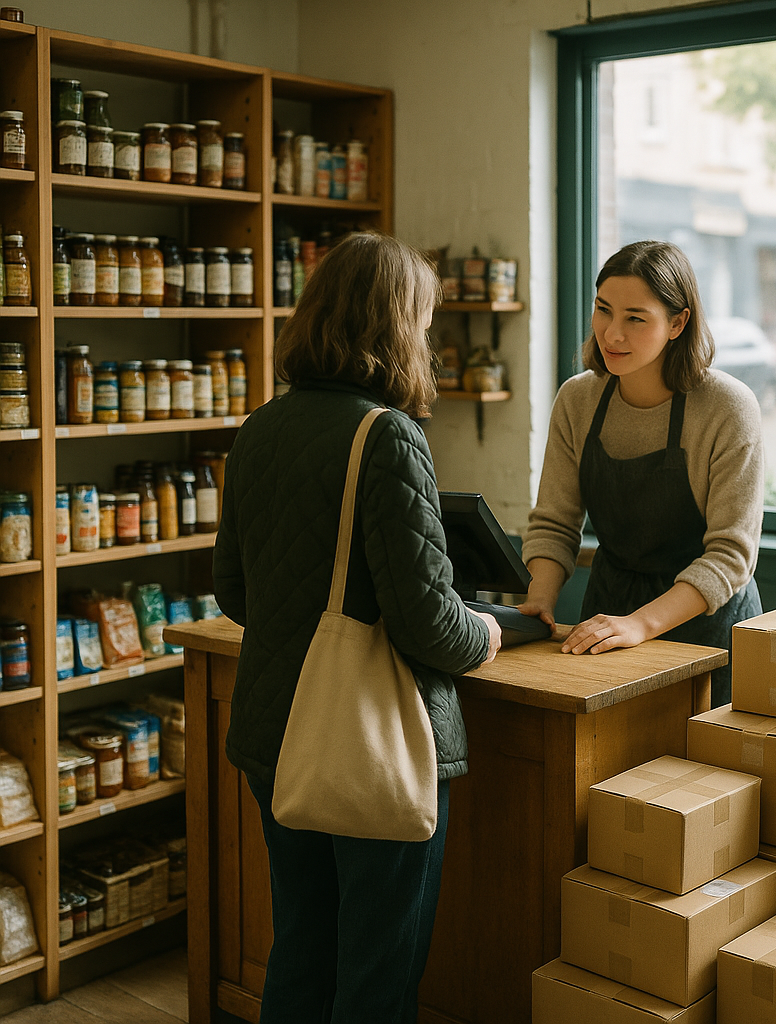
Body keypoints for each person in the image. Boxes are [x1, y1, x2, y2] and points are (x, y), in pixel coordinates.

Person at [213, 231, 501, 1024]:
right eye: (424, 320)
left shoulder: (259, 428)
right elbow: (428, 624)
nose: (430, 337)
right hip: (370, 747)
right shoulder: (388, 435)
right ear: (396, 325)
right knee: (377, 974)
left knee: (301, 952)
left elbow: (234, 591)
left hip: (276, 735)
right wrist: (485, 634)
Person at [520, 239, 763, 706]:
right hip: (607, 618)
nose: (612, 334)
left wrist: (640, 624)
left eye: (635, 318)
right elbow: (554, 524)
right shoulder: (577, 400)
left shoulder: (728, 407)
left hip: (706, 630)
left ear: (677, 323)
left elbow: (731, 555)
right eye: (603, 310)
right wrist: (538, 602)